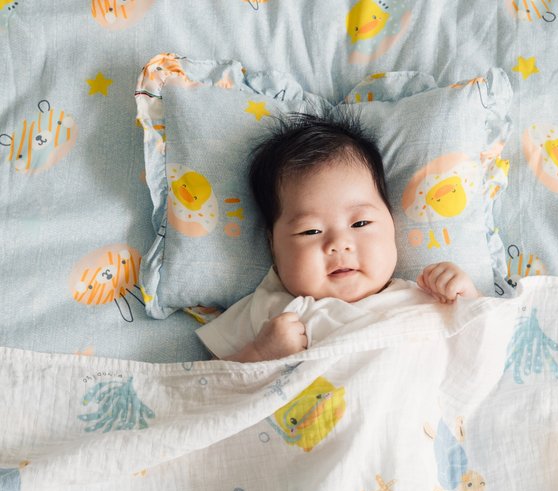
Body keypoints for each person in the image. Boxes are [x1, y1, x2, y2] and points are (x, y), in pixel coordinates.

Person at [196, 111, 480, 362]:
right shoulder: (268, 308)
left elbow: (480, 356)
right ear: (273, 245)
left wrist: (468, 300)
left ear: (392, 224)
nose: (338, 244)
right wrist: (258, 354)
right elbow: (202, 391)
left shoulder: (423, 297)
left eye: (360, 223)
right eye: (311, 231)